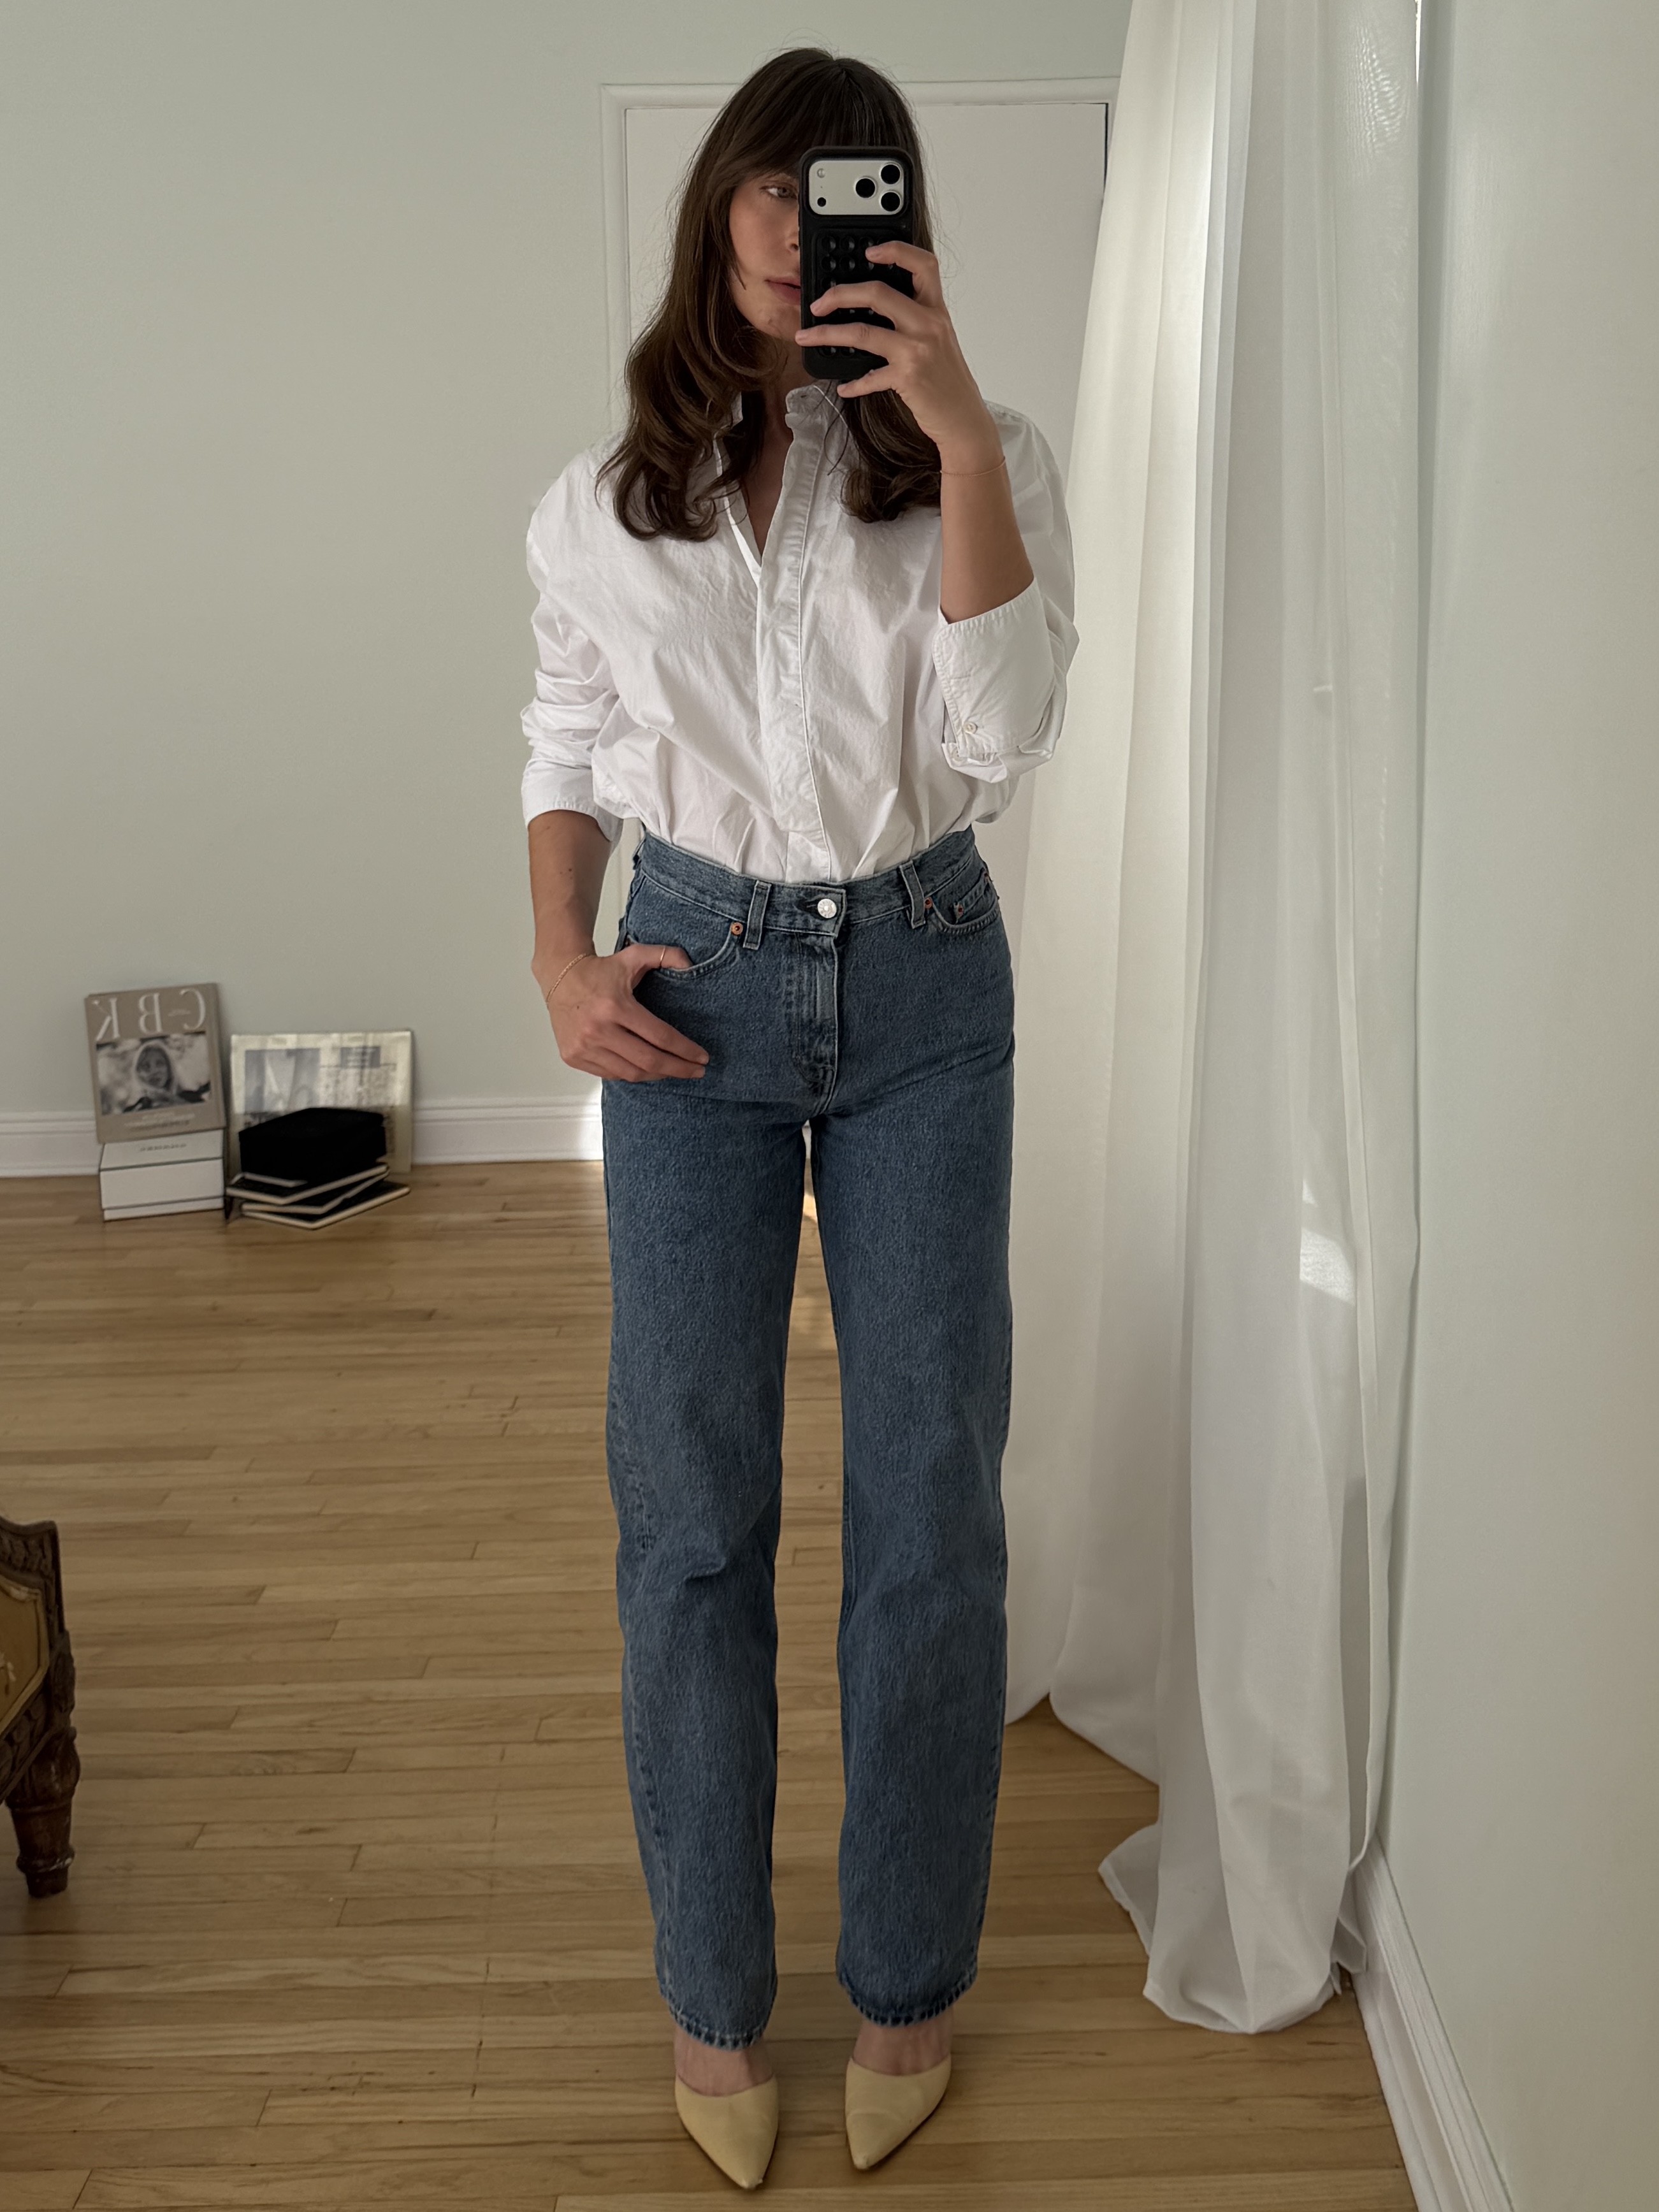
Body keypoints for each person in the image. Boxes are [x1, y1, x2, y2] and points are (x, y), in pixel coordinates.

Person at [521, 47, 1075, 2192]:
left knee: (930, 1506)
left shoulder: (977, 455)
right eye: (766, 183)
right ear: (716, 209)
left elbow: (1002, 742)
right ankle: (712, 2004)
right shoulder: (605, 499)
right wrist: (558, 963)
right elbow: (564, 740)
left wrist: (958, 433)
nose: (793, 223)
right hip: (694, 994)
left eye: (840, 187)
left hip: (927, 977)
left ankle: (907, 1989)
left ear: (893, 222)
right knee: (690, 1514)